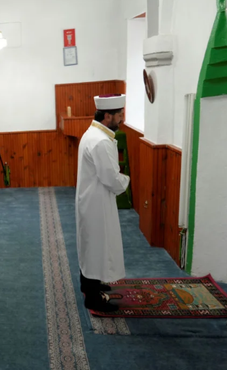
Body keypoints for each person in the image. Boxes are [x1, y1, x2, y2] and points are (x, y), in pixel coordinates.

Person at [76, 94, 130, 313]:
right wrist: (126, 180)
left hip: (92, 198)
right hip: (97, 201)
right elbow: (110, 177)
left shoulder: (93, 133)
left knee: (92, 244)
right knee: (97, 245)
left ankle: (92, 282)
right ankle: (93, 298)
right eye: (119, 115)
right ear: (107, 116)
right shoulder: (100, 141)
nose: (122, 119)